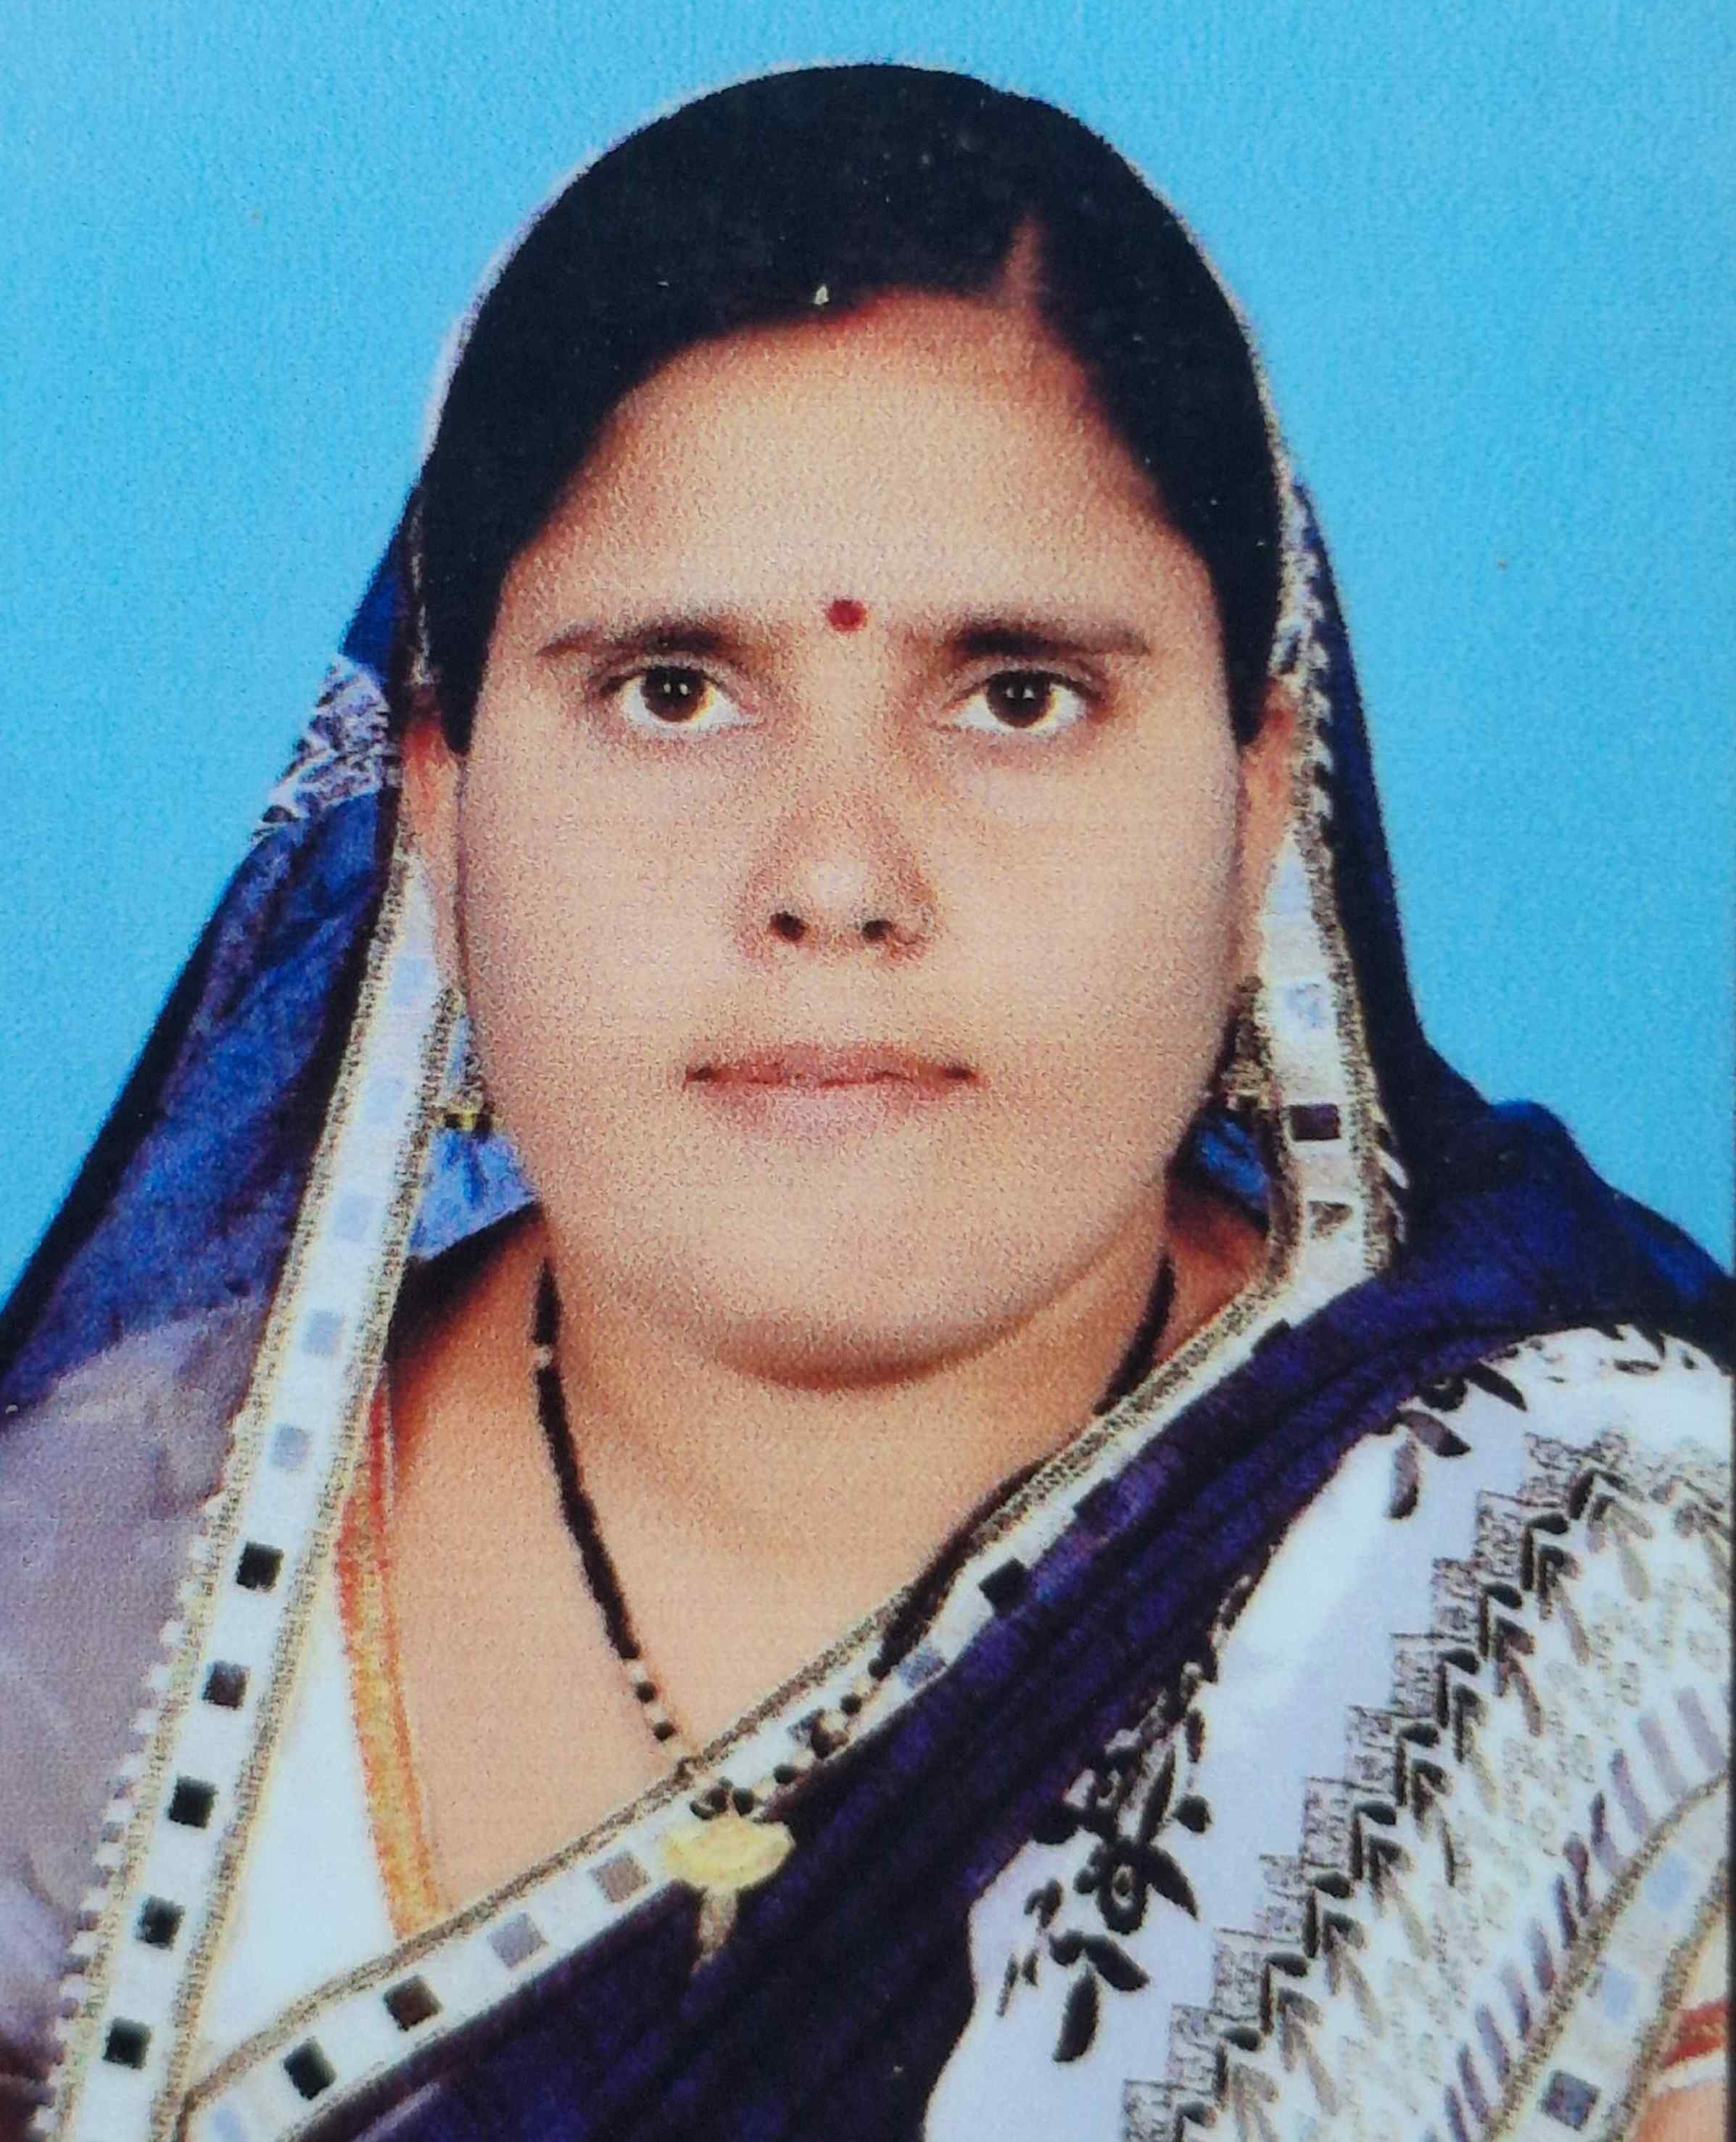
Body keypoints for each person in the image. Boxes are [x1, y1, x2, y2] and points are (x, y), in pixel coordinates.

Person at [0, 64, 1725, 2142]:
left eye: (1016, 696)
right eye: (671, 692)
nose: (834, 875)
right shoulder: (87, 1598)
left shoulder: (1616, 1625)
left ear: (1258, 798)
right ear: (440, 808)